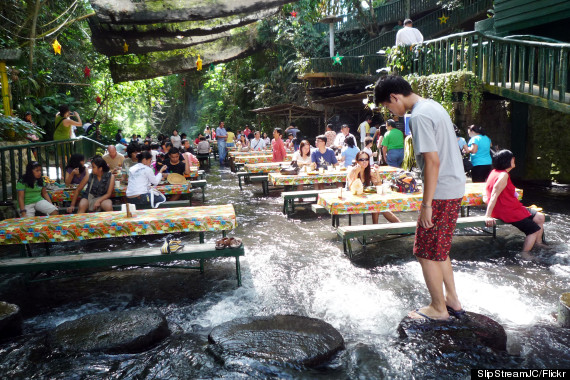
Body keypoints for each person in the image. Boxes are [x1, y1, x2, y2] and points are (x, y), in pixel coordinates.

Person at [375, 74, 466, 321]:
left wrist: (426, 204)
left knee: (424, 251)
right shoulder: (433, 105)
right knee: (440, 248)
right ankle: (452, 300)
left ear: (394, 97)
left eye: (387, 106)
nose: (391, 112)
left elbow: (432, 161)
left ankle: (438, 308)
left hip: (440, 191)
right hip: (454, 186)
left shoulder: (418, 115)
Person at [484, 150, 546, 258]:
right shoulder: (503, 175)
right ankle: (525, 253)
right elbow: (494, 195)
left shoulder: (495, 172)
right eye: (513, 158)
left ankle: (538, 244)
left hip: (512, 206)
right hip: (506, 210)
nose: (514, 160)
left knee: (540, 217)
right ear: (509, 160)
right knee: (533, 229)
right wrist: (488, 216)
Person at [347, 151, 400, 224]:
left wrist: (377, 173)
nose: (364, 161)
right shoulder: (352, 171)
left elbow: (379, 186)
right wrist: (356, 173)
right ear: (357, 161)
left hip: (365, 198)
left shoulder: (368, 171)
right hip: (353, 199)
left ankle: (377, 225)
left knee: (378, 203)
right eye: (361, 160)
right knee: (378, 204)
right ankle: (397, 224)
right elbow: (352, 188)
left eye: (366, 159)